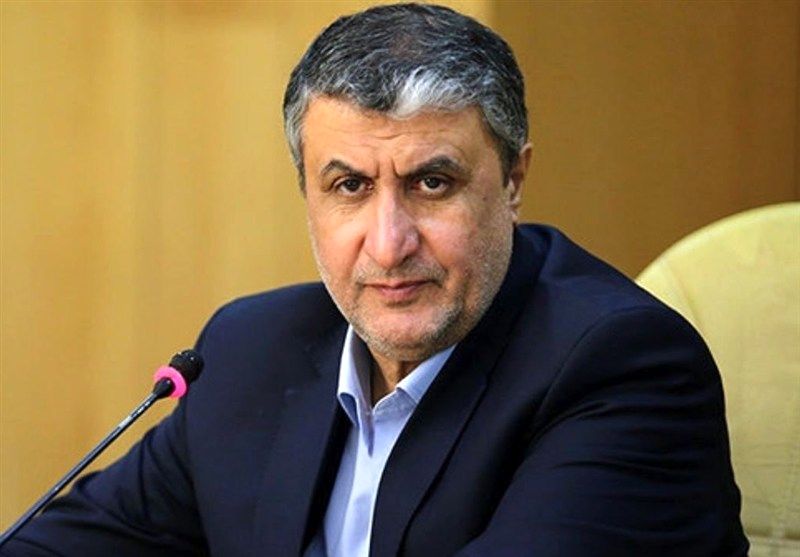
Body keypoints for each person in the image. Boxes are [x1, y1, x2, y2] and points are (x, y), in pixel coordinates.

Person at [2, 4, 748, 556]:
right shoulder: (250, 351)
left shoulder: (624, 368)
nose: (389, 245)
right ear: (306, 192)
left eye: (432, 183)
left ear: (513, 181)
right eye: (350, 186)